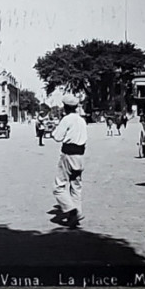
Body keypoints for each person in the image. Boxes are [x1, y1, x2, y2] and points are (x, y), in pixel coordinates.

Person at [51, 94, 88, 228]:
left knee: (58, 187)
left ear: (65, 107)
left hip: (68, 154)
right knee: (76, 186)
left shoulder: (66, 120)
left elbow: (57, 137)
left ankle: (71, 210)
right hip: (80, 156)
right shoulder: (81, 120)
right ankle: (77, 215)